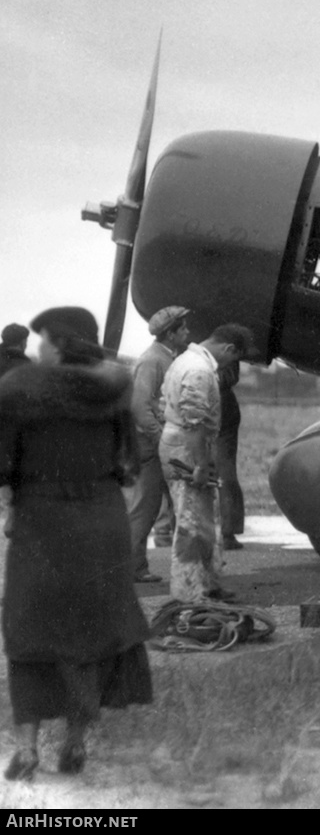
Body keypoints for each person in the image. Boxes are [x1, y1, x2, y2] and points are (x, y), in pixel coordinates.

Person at [0, 307, 152, 781]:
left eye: (43, 339)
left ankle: (26, 750)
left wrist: (11, 502)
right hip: (103, 523)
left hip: (42, 523)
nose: (38, 348)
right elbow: (129, 463)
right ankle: (76, 742)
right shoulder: (115, 389)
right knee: (92, 634)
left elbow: (2, 464)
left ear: (61, 342)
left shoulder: (19, 389)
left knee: (29, 633)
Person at [160, 323, 251, 603]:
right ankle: (189, 595)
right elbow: (194, 423)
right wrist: (200, 464)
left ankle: (208, 585)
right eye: (233, 358)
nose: (230, 365)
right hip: (188, 448)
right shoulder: (199, 370)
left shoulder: (187, 360)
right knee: (190, 522)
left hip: (188, 445)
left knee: (203, 520)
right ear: (229, 349)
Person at [123, 306, 191, 584]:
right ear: (171, 334)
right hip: (151, 445)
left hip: (160, 442)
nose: (188, 332)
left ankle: (185, 568)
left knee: (176, 505)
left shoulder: (168, 357)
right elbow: (139, 406)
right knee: (146, 507)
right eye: (183, 328)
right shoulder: (152, 361)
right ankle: (131, 568)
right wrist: (160, 437)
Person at [215, 358, 244, 551]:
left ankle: (171, 528)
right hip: (223, 402)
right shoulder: (226, 343)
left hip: (213, 402)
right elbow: (230, 377)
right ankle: (228, 532)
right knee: (225, 468)